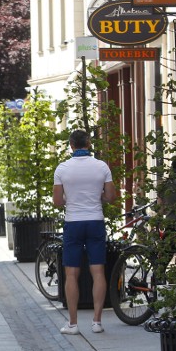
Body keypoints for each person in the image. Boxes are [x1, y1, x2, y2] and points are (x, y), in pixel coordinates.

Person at [52, 130, 115, 335]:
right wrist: (98, 196)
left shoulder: (62, 169)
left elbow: (58, 201)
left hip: (73, 222)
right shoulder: (101, 166)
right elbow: (111, 196)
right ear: (88, 143)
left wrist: (73, 198)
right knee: (98, 271)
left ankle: (73, 323)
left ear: (71, 145)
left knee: (71, 273)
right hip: (95, 220)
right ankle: (97, 322)